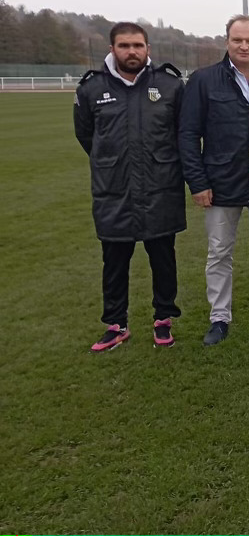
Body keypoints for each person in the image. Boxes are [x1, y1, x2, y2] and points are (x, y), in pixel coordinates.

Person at [73, 22, 186, 351]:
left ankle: (163, 319)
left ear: (148, 48)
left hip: (160, 187)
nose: (132, 51)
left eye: (138, 45)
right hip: (114, 190)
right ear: (112, 49)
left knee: (163, 258)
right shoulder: (91, 89)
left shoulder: (169, 84)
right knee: (114, 261)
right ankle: (115, 324)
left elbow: (182, 133)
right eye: (124, 45)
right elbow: (87, 137)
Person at [178, 14, 249, 345]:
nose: (244, 46)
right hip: (220, 182)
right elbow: (187, 134)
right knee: (219, 252)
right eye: (237, 40)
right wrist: (197, 183)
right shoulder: (204, 80)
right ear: (226, 41)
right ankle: (219, 317)